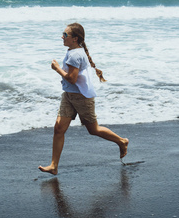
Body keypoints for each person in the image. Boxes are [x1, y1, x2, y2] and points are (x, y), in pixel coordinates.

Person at [39, 23, 129, 175]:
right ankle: (54, 166)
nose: (62, 36)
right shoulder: (73, 51)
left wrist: (57, 69)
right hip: (68, 95)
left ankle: (122, 141)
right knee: (59, 128)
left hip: (82, 98)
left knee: (93, 130)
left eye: (65, 34)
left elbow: (72, 79)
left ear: (74, 39)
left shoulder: (75, 55)